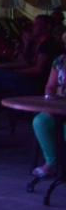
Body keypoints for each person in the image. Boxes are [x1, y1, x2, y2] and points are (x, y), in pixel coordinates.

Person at [0, 14, 62, 128]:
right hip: (27, 79)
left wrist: (17, 72)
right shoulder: (35, 44)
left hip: (37, 83)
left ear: (47, 27)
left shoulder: (48, 45)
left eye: (37, 24)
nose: (33, 27)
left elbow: (38, 69)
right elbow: (23, 62)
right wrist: (26, 44)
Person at [32, 34, 66, 178]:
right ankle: (51, 163)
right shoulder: (60, 61)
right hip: (60, 106)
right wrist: (51, 97)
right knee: (40, 121)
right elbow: (50, 86)